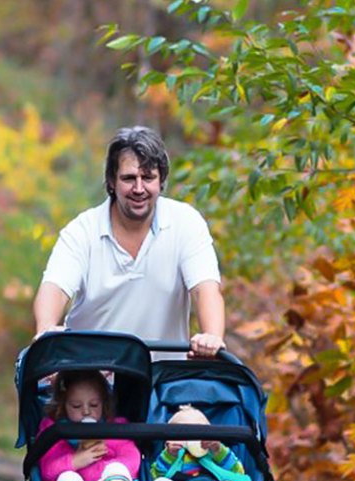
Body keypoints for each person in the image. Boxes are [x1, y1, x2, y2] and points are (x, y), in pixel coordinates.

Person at [33, 125, 225, 358]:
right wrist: (45, 329)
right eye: (128, 178)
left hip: (164, 382)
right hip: (92, 379)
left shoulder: (185, 223)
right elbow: (55, 286)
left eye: (148, 178)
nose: (139, 188)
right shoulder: (82, 231)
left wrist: (212, 337)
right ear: (112, 181)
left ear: (161, 180)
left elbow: (205, 289)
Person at [37, 369, 140, 481]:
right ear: (63, 405)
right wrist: (76, 460)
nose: (86, 411)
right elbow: (47, 471)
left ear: (104, 403)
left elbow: (133, 461)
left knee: (117, 469)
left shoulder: (116, 427)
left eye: (94, 405)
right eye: (76, 406)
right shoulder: (54, 429)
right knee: (66, 477)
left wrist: (104, 461)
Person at [149, 406, 246, 481]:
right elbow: (157, 475)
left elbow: (237, 471)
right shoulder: (172, 455)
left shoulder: (215, 452)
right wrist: (170, 455)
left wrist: (218, 450)